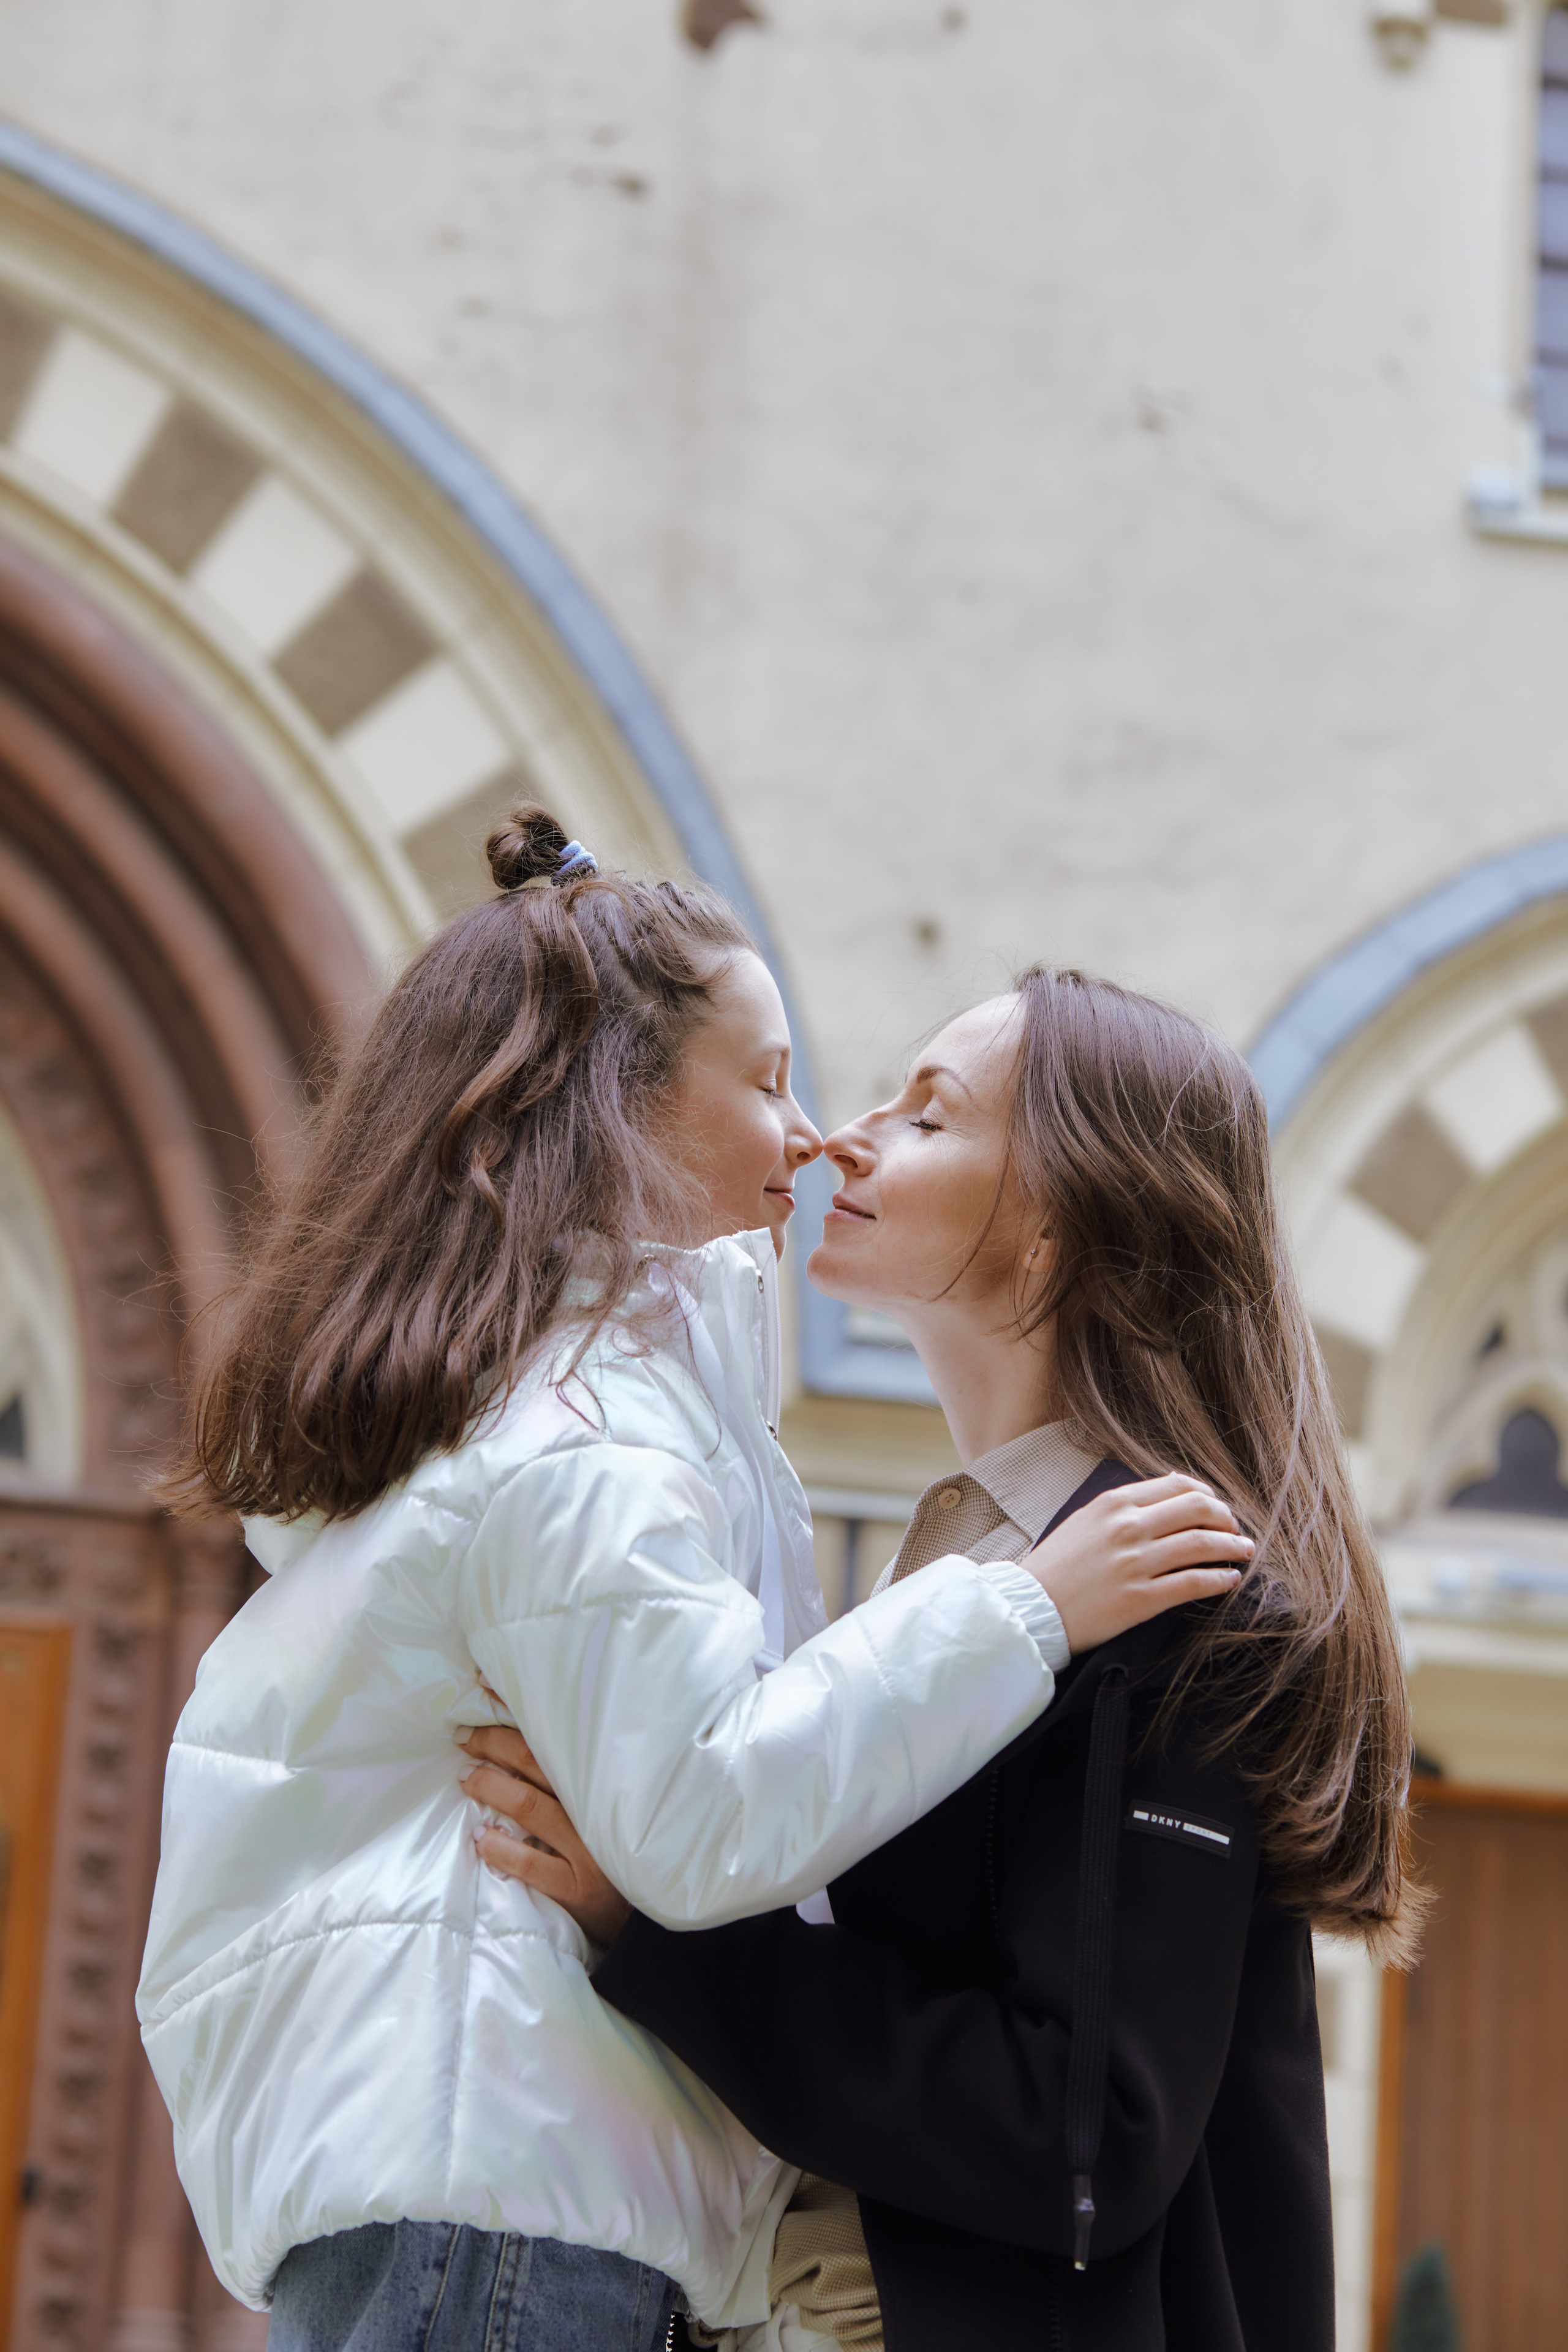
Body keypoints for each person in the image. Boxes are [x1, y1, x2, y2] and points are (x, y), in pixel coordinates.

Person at [135, 813, 1246, 2352]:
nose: (819, 1135)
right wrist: (1026, 1610)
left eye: (915, 1112)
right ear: (616, 1106)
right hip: (504, 2205)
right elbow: (708, 1815)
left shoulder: (574, 1411)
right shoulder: (589, 1437)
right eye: (771, 1081)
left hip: (474, 2192)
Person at [469, 965, 1422, 2352]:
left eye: (928, 1117)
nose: (842, 1137)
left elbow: (1088, 2136)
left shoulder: (1174, 1602)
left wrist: (666, 1938)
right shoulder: (973, 1577)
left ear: (1054, 1233)